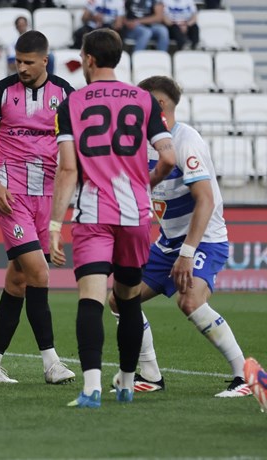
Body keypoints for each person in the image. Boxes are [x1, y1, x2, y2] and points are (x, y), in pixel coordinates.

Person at [49, 28, 176, 408]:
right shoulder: (144, 99)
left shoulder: (71, 104)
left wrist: (54, 225)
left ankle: (91, 388)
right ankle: (126, 382)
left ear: (87, 58)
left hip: (94, 212)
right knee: (128, 299)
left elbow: (68, 170)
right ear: (117, 58)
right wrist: (145, 183)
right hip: (135, 213)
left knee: (91, 299)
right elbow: (168, 157)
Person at [107, 76, 250, 398]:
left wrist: (187, 252)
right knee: (119, 298)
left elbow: (206, 200)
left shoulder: (186, 140)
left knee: (190, 300)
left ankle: (245, 376)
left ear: (157, 106)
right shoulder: (140, 142)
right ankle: (151, 375)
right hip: (167, 242)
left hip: (204, 240)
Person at [0, 31, 75, 385]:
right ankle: (51, 363)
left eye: (28, 62)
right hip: (11, 194)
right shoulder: (0, 92)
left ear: (44, 61)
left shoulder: (65, 95)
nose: (21, 67)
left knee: (18, 280)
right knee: (39, 273)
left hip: (47, 196)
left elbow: (72, 152)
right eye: (17, 61)